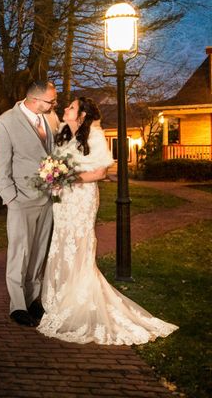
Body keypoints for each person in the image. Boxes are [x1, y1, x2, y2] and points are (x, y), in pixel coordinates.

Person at [37, 97, 178, 344]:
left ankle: (79, 299)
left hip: (81, 199)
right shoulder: (63, 134)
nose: (66, 109)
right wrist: (54, 176)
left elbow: (101, 172)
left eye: (71, 107)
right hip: (63, 202)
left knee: (78, 244)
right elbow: (53, 154)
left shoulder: (95, 136)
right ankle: (60, 297)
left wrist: (70, 178)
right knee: (61, 242)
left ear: (82, 115)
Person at [0, 80, 60, 327]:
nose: (54, 104)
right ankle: (18, 306)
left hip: (47, 199)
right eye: (50, 101)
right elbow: (0, 166)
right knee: (19, 253)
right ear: (34, 99)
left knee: (39, 252)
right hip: (21, 199)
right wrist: (11, 198)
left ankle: (33, 300)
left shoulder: (49, 119)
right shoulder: (5, 122)